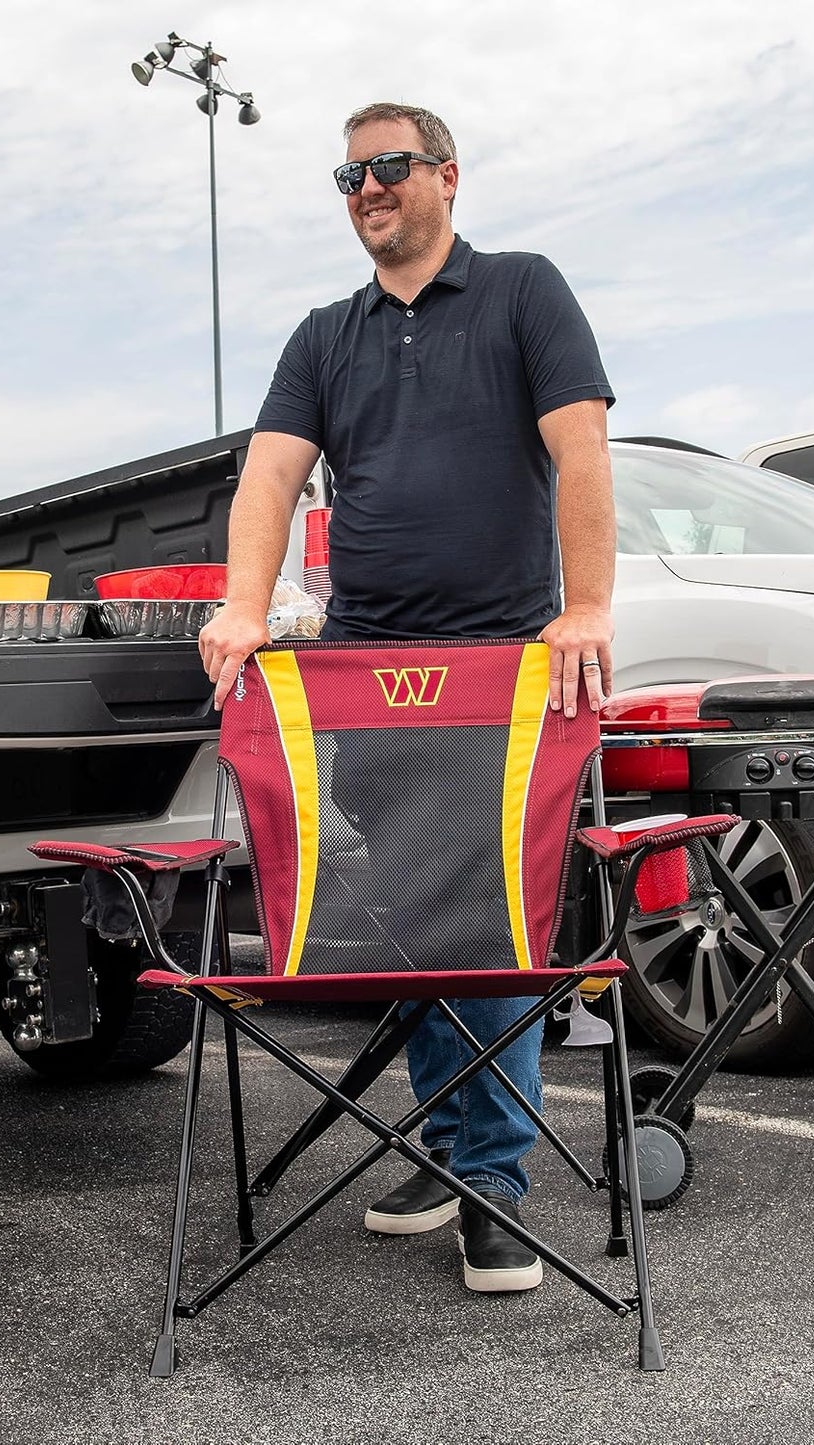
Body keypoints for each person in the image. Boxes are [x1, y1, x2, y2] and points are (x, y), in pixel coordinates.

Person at [197, 100, 616, 1294]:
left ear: (444, 175)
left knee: (484, 922)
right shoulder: (323, 335)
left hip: (497, 667)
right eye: (348, 172)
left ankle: (491, 1182)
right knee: (409, 915)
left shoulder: (524, 290)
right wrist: (242, 600)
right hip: (365, 670)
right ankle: (448, 1149)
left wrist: (583, 607)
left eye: (388, 166)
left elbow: (580, 450)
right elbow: (269, 475)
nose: (366, 187)